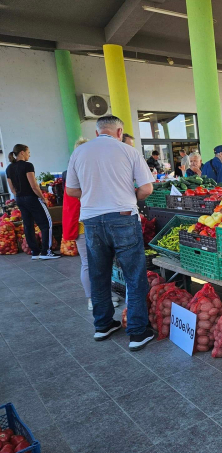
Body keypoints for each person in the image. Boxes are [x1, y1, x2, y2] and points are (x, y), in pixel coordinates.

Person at [66, 115, 155, 350]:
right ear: (119, 132)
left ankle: (103, 325)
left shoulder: (80, 152)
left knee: (99, 274)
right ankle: (137, 333)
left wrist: (93, 194)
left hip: (92, 221)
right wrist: (129, 197)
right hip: (123, 218)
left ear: (97, 133)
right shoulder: (128, 151)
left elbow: (71, 190)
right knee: (134, 276)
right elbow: (147, 188)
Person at [62, 138, 120, 310]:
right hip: (85, 222)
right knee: (90, 262)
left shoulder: (73, 168)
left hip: (86, 221)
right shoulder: (80, 170)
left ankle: (100, 297)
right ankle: (93, 299)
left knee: (96, 262)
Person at [6, 144, 59, 260]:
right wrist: (43, 198)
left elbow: (12, 189)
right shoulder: (27, 166)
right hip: (31, 197)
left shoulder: (9, 168)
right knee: (46, 223)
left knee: (28, 225)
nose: (29, 155)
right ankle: (46, 251)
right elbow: (34, 186)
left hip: (19, 199)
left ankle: (35, 252)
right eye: (28, 152)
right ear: (22, 153)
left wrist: (20, 196)